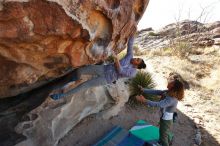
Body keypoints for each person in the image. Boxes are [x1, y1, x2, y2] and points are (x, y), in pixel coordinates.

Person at [50, 36, 146, 100]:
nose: (135, 58)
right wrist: (133, 33)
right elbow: (130, 44)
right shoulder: (129, 57)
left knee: (85, 85)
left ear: (137, 66)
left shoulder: (132, 73)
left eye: (137, 60)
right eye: (137, 58)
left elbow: (120, 71)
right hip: (103, 69)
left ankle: (62, 95)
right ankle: (74, 79)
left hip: (106, 79)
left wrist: (116, 59)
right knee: (81, 70)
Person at [136, 76, 184, 146]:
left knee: (163, 135)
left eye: (171, 82)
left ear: (173, 86)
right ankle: (164, 142)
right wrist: (144, 90)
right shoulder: (168, 92)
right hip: (165, 117)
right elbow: (157, 92)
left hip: (166, 120)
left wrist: (144, 100)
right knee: (164, 133)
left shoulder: (171, 99)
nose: (169, 81)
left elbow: (158, 104)